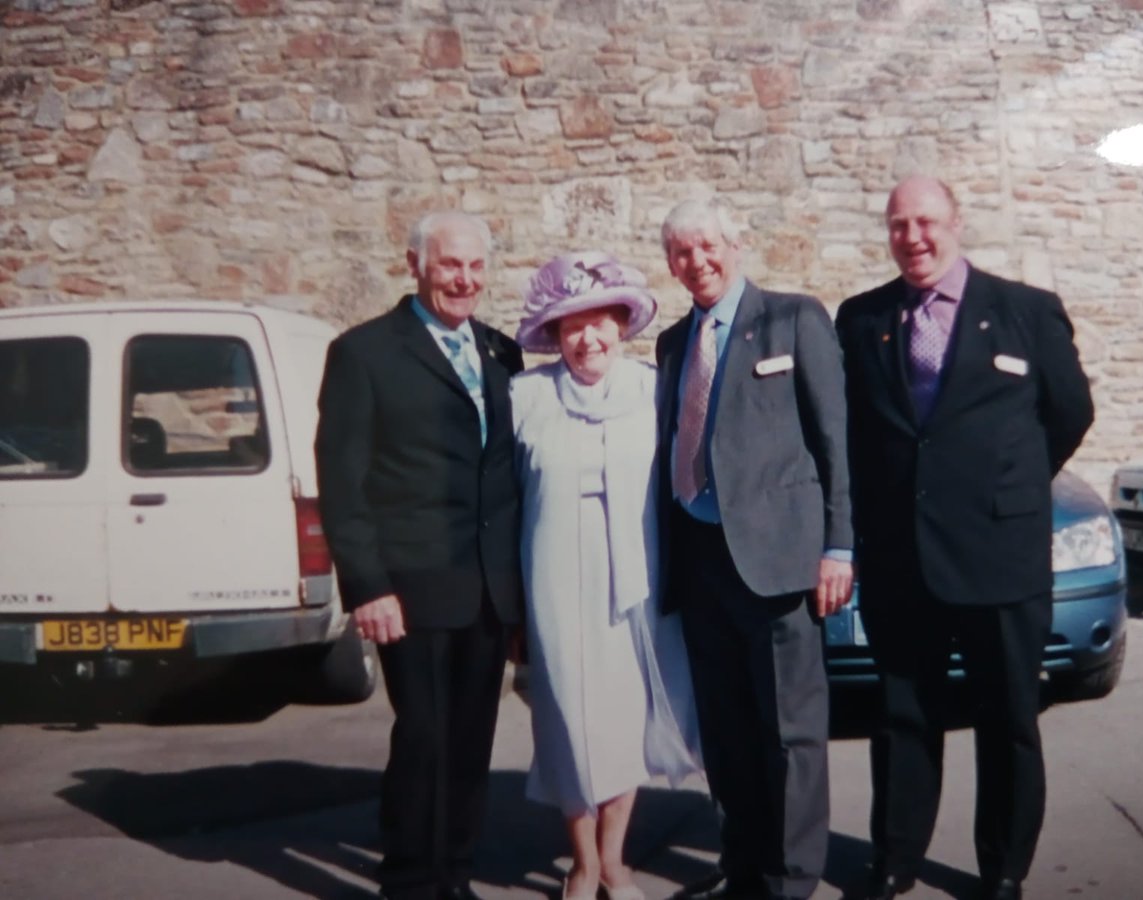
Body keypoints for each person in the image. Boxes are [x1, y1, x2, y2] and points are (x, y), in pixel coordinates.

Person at [834, 176, 1094, 900]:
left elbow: (1070, 413)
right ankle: (896, 858)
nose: (912, 237)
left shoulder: (1025, 311)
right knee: (902, 715)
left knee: (1006, 717)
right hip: (901, 556)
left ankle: (1003, 867)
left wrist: (1007, 488)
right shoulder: (862, 318)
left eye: (925, 221)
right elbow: (855, 430)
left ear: (956, 222)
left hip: (999, 553)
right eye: (898, 224)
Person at [314, 210, 524, 900]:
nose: (464, 280)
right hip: (411, 588)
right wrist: (367, 585)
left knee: (470, 745)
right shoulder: (365, 353)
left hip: (487, 588)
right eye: (449, 265)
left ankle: (453, 876)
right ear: (415, 266)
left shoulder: (501, 351)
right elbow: (342, 481)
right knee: (425, 741)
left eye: (475, 266)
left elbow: (503, 474)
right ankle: (409, 882)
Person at [655, 198, 855, 900]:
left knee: (790, 733)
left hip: (778, 563)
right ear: (670, 263)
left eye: (706, 245)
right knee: (727, 729)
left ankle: (791, 880)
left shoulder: (793, 319)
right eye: (682, 252)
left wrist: (839, 547)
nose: (697, 261)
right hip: (700, 561)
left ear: (734, 245)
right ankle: (742, 868)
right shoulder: (672, 344)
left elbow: (834, 440)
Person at [510, 251, 702, 900]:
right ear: (554, 335)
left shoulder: (653, 390)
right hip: (555, 585)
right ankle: (582, 861)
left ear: (621, 324)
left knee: (624, 723)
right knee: (568, 720)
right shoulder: (526, 398)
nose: (587, 338)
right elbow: (504, 501)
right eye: (571, 326)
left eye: (598, 323)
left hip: (636, 584)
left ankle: (615, 860)